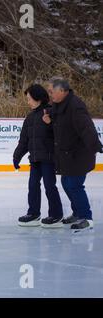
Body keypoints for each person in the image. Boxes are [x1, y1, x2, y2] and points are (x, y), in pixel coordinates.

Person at [44, 78, 103, 232]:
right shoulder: (59, 105)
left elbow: (86, 128)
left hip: (80, 153)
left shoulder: (75, 106)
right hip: (67, 154)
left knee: (75, 185)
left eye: (52, 91)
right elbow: (60, 122)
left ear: (62, 91)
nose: (50, 95)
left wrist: (96, 146)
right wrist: (50, 120)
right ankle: (77, 213)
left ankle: (86, 218)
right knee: (66, 183)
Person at [14, 84, 63, 228]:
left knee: (49, 186)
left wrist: (51, 123)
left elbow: (60, 132)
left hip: (48, 158)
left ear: (38, 98)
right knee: (33, 186)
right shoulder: (29, 118)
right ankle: (34, 213)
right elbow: (24, 141)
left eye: (29, 99)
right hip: (35, 159)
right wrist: (17, 156)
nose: (28, 102)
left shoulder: (51, 112)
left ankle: (56, 214)